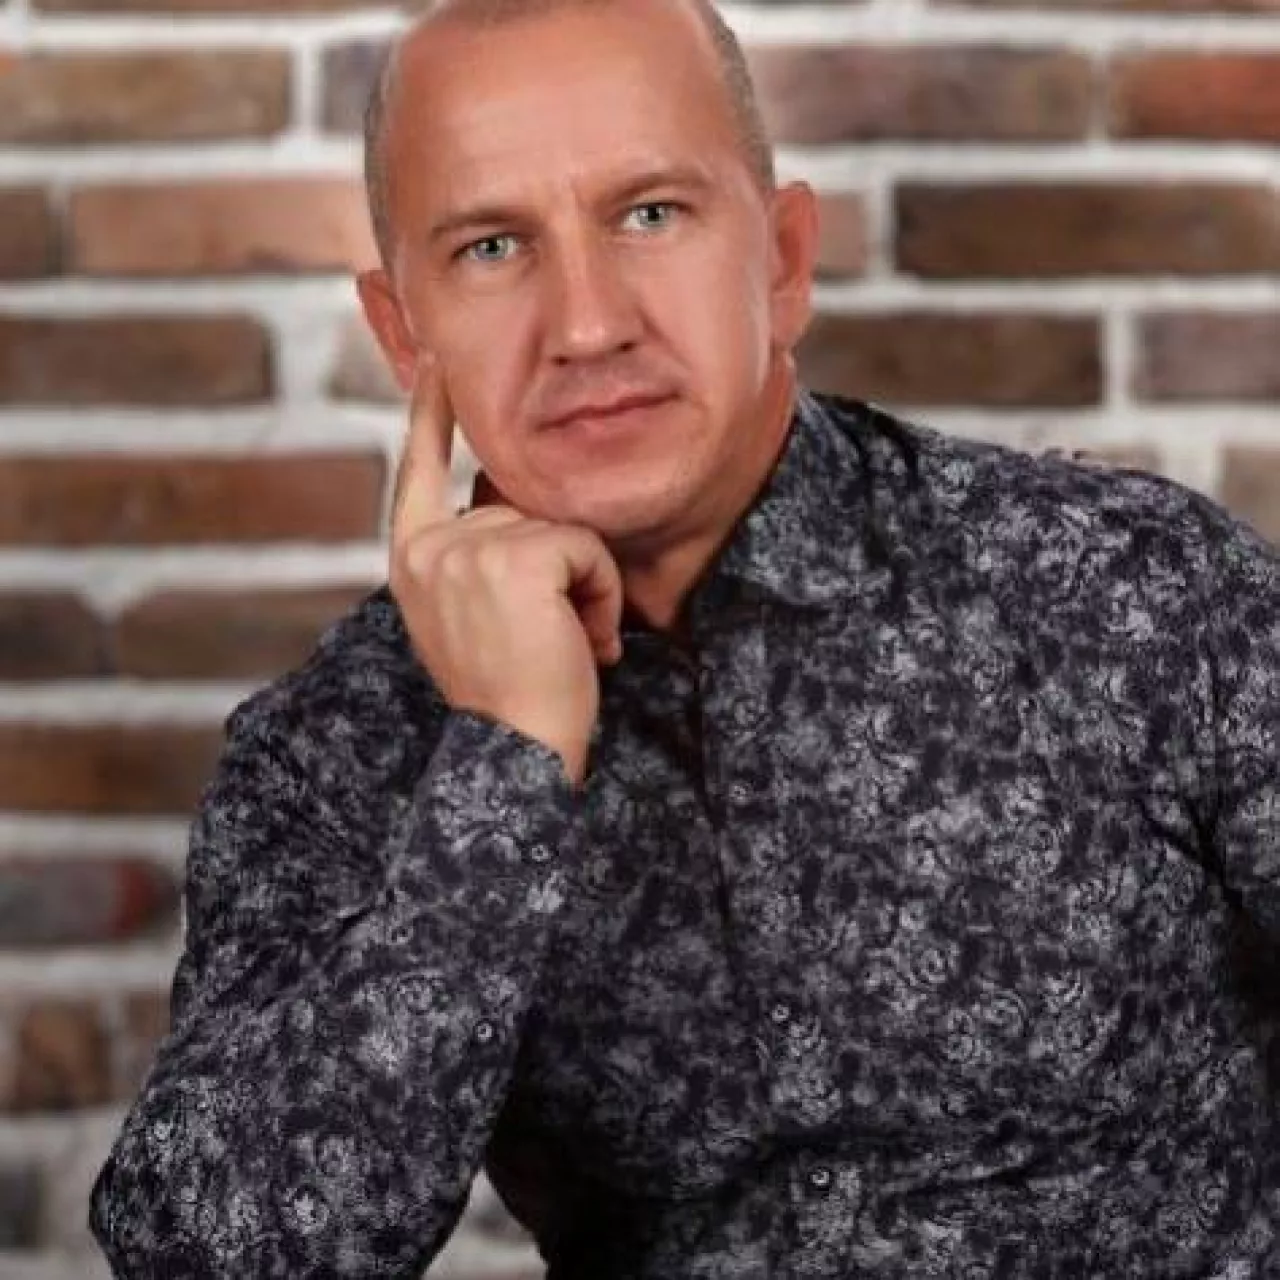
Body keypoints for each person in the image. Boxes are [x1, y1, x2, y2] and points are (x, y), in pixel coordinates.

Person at [88, 0, 1278, 1274]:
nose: (586, 323)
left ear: (783, 259)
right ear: (401, 333)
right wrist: (503, 757)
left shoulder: (1128, 588)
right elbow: (208, 1255)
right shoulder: (335, 749)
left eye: (650, 214)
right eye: (491, 246)